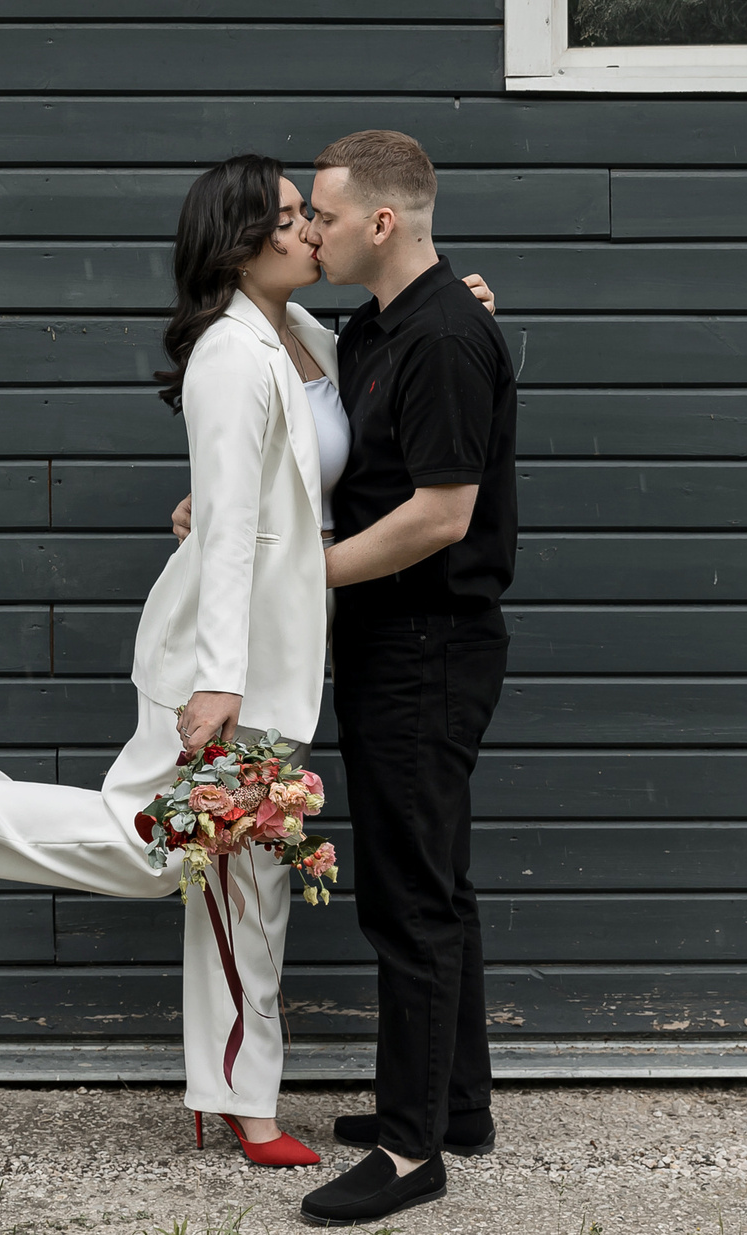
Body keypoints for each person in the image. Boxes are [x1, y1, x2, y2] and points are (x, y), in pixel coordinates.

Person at [0, 153, 497, 1170]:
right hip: (216, 656)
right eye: (286, 218)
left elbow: (365, 395)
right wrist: (220, 677)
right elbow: (227, 531)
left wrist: (459, 299)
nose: (311, 230)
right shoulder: (229, 355)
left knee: (249, 879)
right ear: (240, 245)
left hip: (277, 654)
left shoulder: (310, 333)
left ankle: (246, 1102)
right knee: (159, 849)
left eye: (313, 214)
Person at [295, 129, 518, 1229]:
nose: (308, 232)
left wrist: (292, 575)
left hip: (426, 647)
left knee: (408, 901)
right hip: (396, 643)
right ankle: (456, 1106)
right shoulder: (384, 325)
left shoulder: (439, 340)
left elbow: (440, 515)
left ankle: (408, 1149)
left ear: (381, 222)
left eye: (323, 217)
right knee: (436, 884)